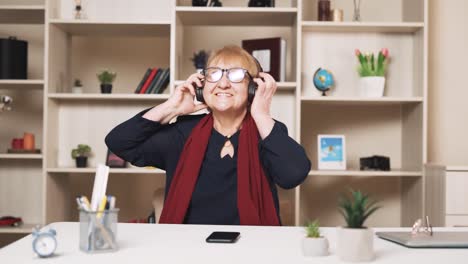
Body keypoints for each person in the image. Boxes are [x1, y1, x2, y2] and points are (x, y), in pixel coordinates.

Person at [105, 45, 311, 226]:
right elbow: (119, 142)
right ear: (203, 87)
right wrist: (172, 107)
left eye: (236, 75)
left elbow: (293, 174)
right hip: (189, 251)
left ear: (253, 88)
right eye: (214, 74)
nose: (223, 84)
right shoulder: (182, 133)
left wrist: (261, 114)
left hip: (251, 250)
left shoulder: (267, 132)